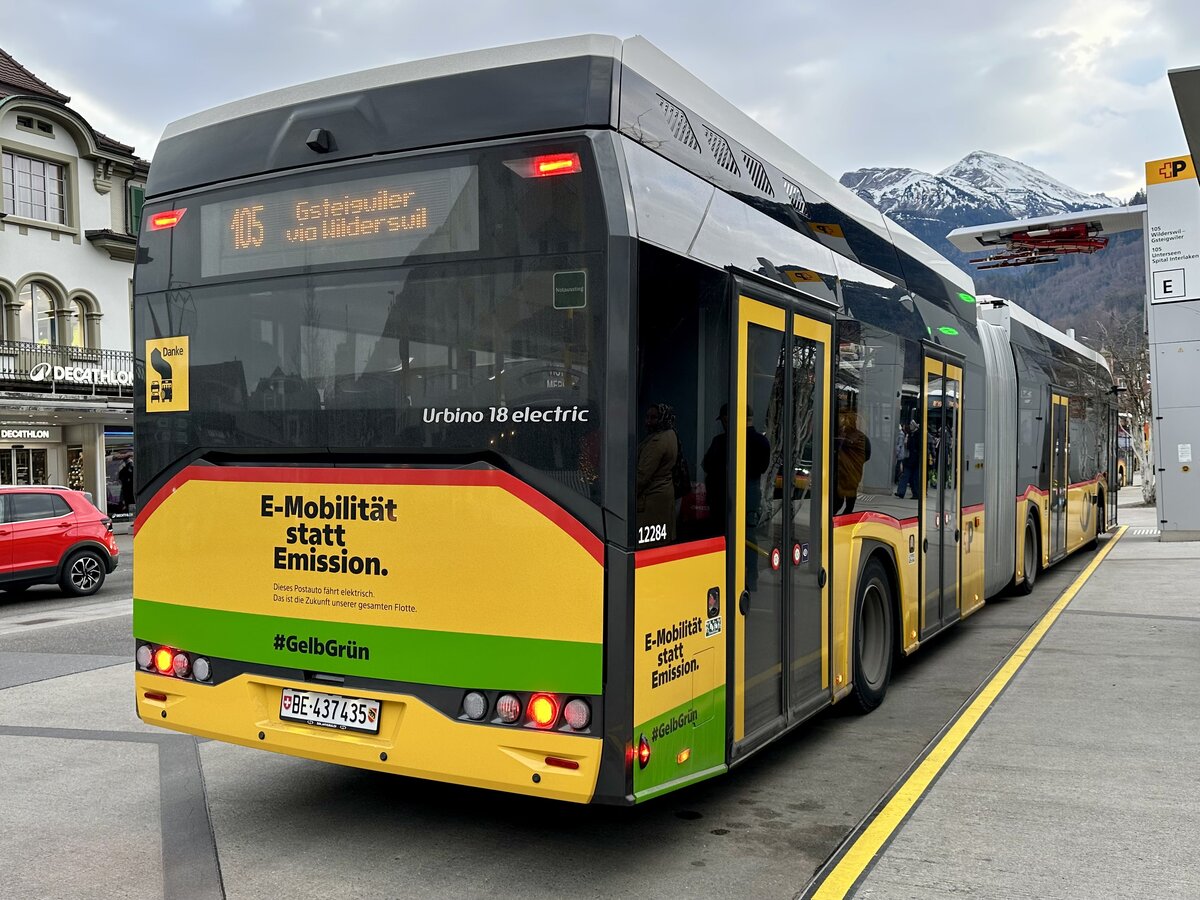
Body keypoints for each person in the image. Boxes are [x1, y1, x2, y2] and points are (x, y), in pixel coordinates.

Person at [636, 403, 678, 543]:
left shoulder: (657, 441)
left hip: (652, 498)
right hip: (664, 493)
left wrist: (625, 498)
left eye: (653, 418)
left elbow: (642, 476)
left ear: (662, 418)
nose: (648, 421)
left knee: (650, 544)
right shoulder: (671, 434)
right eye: (647, 417)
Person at [834, 409, 870, 515]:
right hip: (854, 472)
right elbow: (867, 455)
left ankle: (835, 518)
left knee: (839, 498)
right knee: (851, 494)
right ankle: (846, 515)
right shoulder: (863, 438)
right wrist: (856, 463)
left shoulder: (839, 436)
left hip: (841, 471)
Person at [895, 419, 921, 499]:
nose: (910, 426)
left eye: (911, 425)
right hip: (912, 459)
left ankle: (903, 492)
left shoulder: (915, 435)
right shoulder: (912, 435)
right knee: (911, 477)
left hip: (913, 459)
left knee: (909, 477)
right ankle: (905, 492)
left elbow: (912, 447)